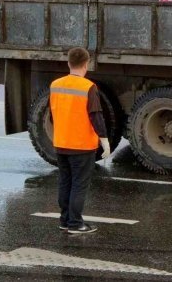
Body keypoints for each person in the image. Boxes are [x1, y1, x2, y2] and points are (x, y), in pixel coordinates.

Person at [49, 47, 109, 234]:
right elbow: (96, 116)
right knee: (79, 185)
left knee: (65, 182)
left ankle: (64, 219)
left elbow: (53, 114)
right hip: (82, 146)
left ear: (68, 63)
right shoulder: (88, 87)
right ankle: (75, 223)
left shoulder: (55, 85)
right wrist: (104, 140)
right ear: (86, 64)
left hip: (61, 143)